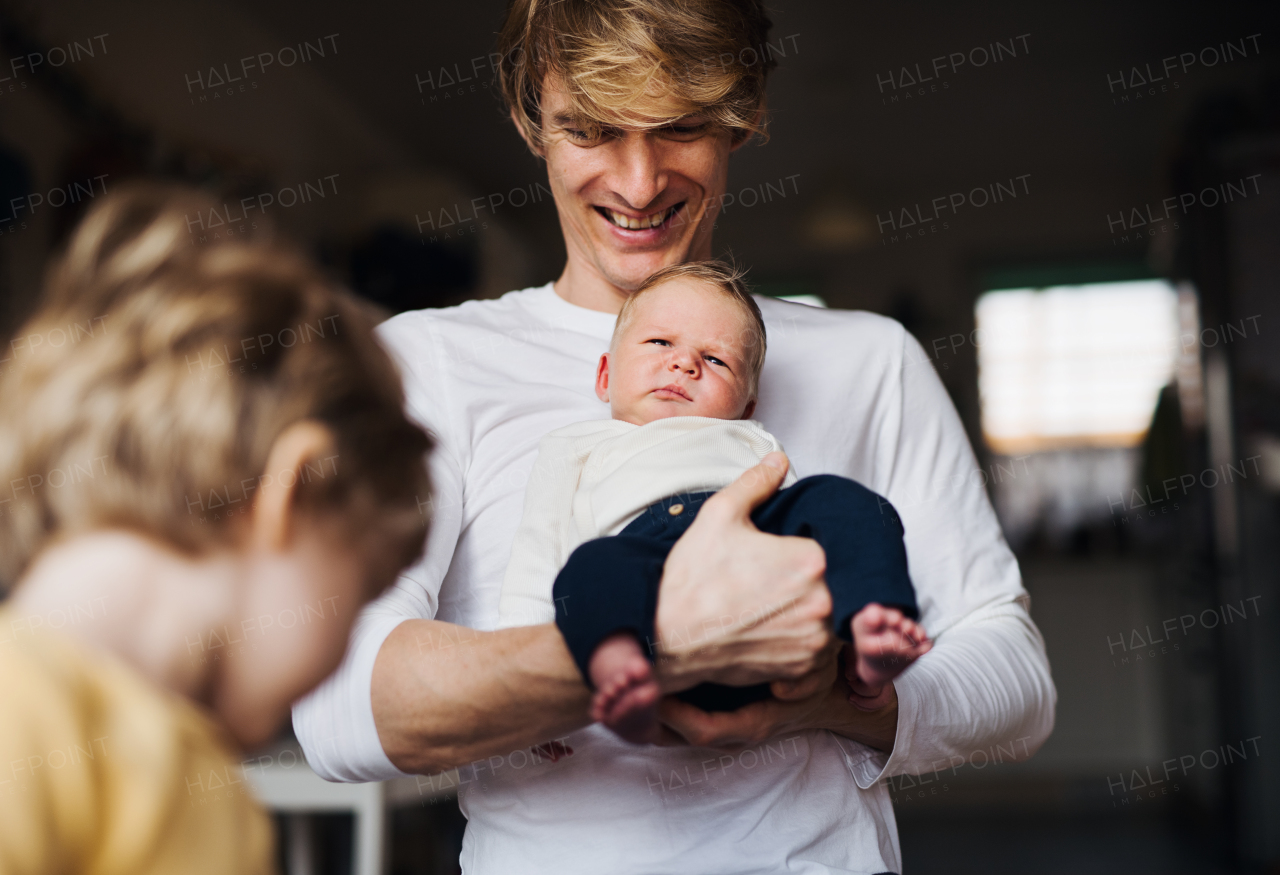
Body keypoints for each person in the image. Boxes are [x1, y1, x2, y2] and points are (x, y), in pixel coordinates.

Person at [293, 1, 1056, 872]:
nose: (639, 181)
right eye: (590, 130)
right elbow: (339, 708)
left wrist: (824, 700)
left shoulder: (869, 361)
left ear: (746, 115)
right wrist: (643, 650)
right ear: (527, 117)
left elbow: (1017, 685)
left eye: (682, 128)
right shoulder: (427, 365)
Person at [0, 184, 432, 874]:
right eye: (361, 593)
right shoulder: (19, 706)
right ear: (293, 491)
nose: (345, 642)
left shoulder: (219, 795)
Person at [498, 261, 932, 744]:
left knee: (842, 501)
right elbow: (536, 558)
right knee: (590, 567)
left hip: (756, 578)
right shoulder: (575, 444)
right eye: (660, 343)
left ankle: (868, 628)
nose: (684, 364)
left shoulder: (751, 440)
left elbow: (811, 533)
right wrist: (527, 702)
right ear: (605, 375)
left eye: (717, 360)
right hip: (646, 562)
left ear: (746, 407)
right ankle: (619, 668)